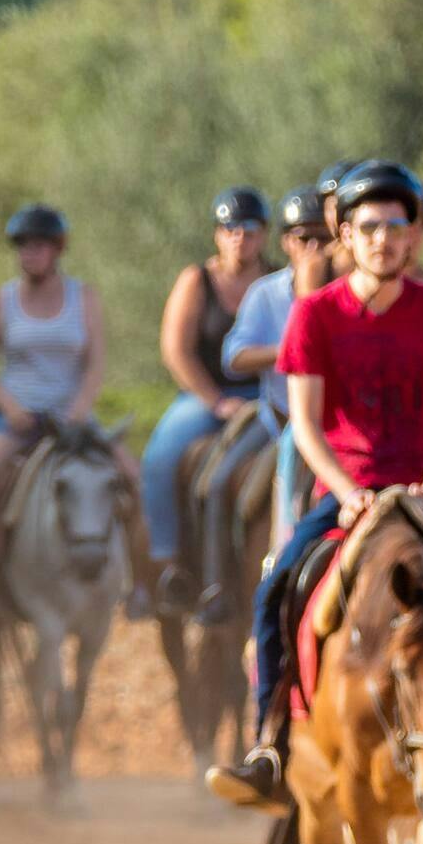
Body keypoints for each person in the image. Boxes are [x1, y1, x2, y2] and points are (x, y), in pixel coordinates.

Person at [206, 159, 423, 809]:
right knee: (274, 592)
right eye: (369, 226)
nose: (383, 238)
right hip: (347, 497)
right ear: (344, 236)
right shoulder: (315, 315)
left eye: (396, 226)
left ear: (413, 237)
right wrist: (347, 494)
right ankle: (270, 744)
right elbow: (306, 426)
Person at [0, 204, 107, 624]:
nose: (29, 255)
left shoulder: (83, 298)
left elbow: (96, 365)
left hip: (72, 421)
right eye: (23, 247)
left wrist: (79, 410)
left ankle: (141, 585)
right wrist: (10, 408)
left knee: (131, 478)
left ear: (57, 250)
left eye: (38, 246)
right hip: (17, 422)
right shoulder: (0, 303)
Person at [140, 187, 281, 585]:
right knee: (159, 457)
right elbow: (176, 350)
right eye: (231, 229)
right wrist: (215, 401)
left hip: (267, 396)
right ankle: (166, 562)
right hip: (205, 397)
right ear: (218, 235)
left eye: (250, 229)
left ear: (264, 234)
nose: (241, 238)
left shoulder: (277, 281)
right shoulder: (197, 280)